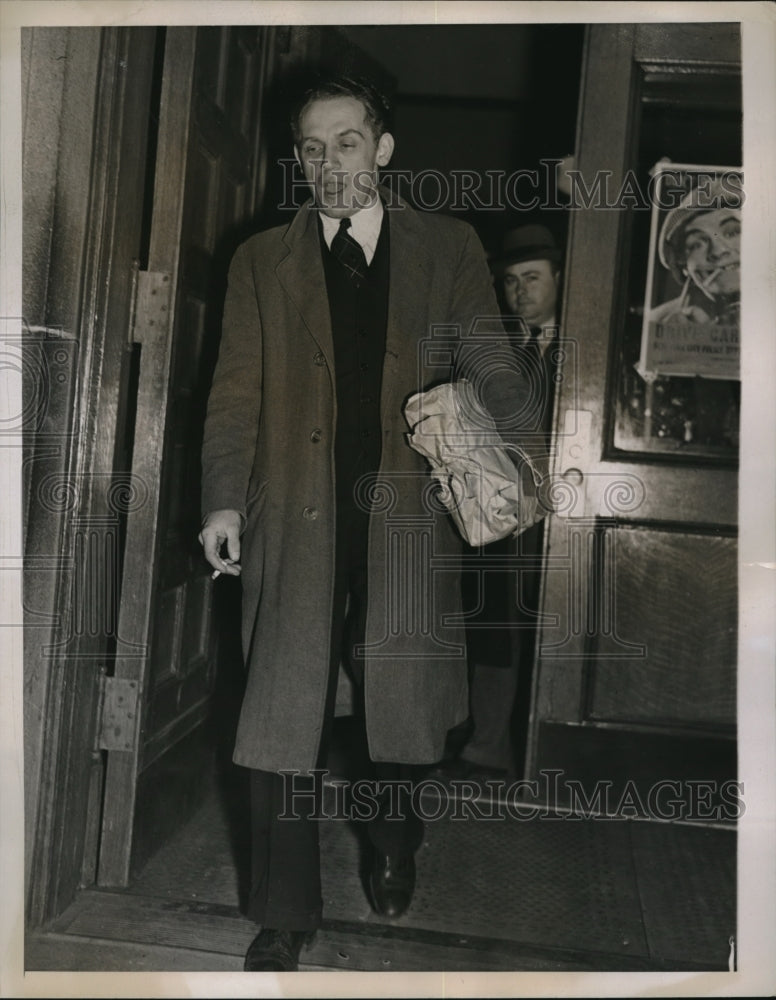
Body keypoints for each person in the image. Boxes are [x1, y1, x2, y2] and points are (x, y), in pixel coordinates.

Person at [199, 75, 537, 972]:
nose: (328, 163)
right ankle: (285, 913)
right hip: (293, 520)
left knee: (401, 719)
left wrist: (525, 460)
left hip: (408, 520)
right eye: (311, 147)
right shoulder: (258, 261)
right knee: (280, 720)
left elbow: (493, 362)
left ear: (382, 149)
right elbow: (234, 392)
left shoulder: (450, 246)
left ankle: (394, 834)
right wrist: (223, 499)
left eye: (346, 141)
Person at [436, 224, 562, 781]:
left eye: (532, 279)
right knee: (492, 623)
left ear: (559, 278)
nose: (520, 292)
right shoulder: (496, 348)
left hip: (567, 515)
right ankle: (486, 744)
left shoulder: (588, 342)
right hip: (502, 508)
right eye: (510, 281)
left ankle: (537, 751)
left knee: (549, 627)